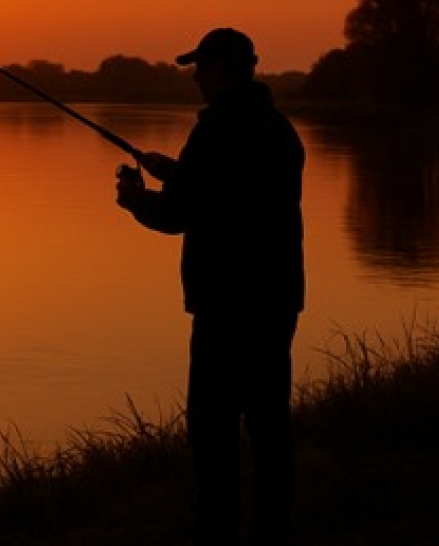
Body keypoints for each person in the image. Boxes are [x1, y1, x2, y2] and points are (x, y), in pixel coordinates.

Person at [115, 27, 305, 546]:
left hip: (227, 301)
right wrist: (175, 170)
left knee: (212, 425)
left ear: (222, 68)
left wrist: (136, 200)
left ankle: (217, 529)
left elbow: (181, 214)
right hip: (277, 296)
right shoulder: (277, 128)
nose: (195, 76)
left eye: (200, 66)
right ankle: (274, 528)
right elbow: (232, 191)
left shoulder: (217, 130)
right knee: (268, 422)